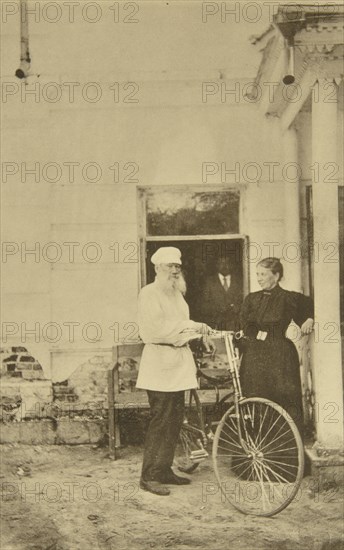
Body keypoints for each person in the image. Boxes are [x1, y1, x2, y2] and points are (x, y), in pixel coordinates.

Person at [136, 246, 214, 496]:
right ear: (157, 268)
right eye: (170, 266)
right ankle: (148, 476)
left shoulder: (177, 295)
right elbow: (154, 330)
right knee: (161, 421)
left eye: (177, 267)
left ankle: (164, 469)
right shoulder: (149, 294)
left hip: (178, 365)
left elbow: (182, 329)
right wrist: (193, 327)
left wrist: (199, 335)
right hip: (159, 364)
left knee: (174, 421)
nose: (174, 271)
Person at [239, 257, 314, 435]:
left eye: (263, 274)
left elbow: (310, 306)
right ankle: (257, 449)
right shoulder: (251, 299)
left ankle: (286, 450)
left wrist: (309, 319)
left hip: (280, 355)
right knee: (256, 397)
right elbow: (242, 326)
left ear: (276, 275)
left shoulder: (289, 298)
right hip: (255, 354)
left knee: (283, 398)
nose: (259, 278)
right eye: (257, 274)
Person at [201, 256, 242, 332]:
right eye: (221, 263)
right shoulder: (209, 282)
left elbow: (242, 300)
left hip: (234, 324)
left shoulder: (239, 280)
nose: (224, 266)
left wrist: (235, 308)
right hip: (216, 323)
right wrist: (219, 308)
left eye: (227, 263)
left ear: (231, 265)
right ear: (217, 265)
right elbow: (204, 304)